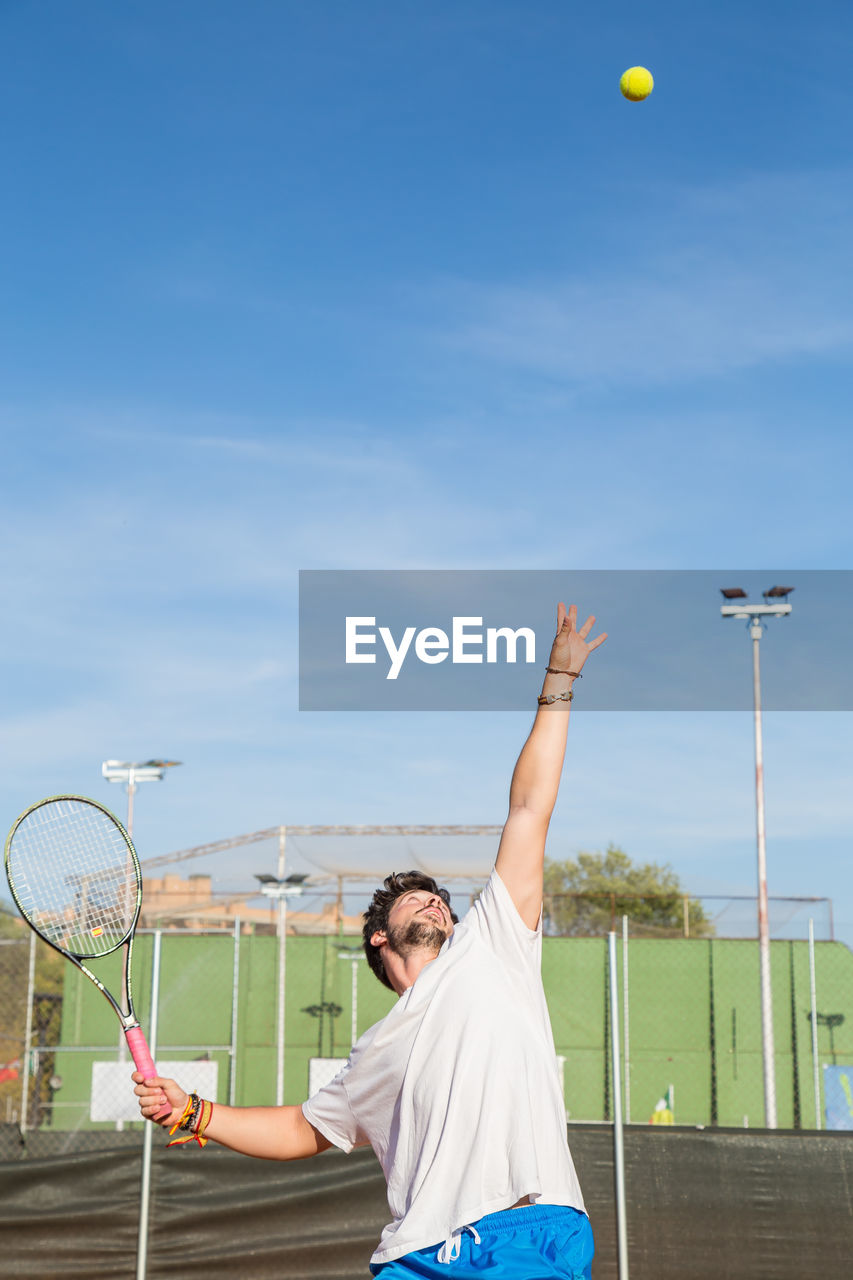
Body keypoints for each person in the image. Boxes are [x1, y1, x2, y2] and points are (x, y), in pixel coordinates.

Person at [134, 601, 606, 1278]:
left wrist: (558, 682)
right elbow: (301, 1129)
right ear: (380, 939)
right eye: (416, 898)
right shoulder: (372, 1053)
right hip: (416, 1255)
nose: (437, 901)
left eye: (441, 897)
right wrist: (196, 1111)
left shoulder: (494, 944)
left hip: (528, 1232)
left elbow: (529, 809)